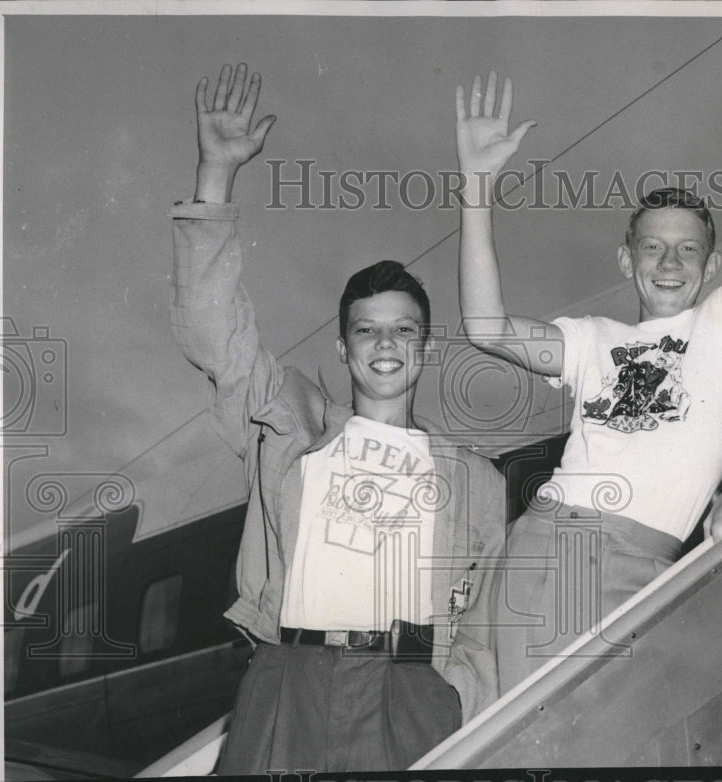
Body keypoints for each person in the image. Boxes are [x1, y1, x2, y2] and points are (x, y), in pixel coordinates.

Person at [170, 63, 505, 774]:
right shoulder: (291, 430)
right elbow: (211, 333)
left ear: (426, 346)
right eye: (367, 330)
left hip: (411, 688)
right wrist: (216, 174)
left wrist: (456, 698)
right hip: (291, 675)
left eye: (404, 330)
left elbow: (488, 617)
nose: (386, 344)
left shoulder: (477, 480)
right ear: (343, 347)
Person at [454, 71, 722, 692]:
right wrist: (476, 185)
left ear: (712, 264)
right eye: (653, 248)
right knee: (483, 723)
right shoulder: (591, 336)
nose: (671, 263)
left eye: (687, 249)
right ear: (628, 260)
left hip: (632, 558)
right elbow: (485, 328)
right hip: (540, 541)